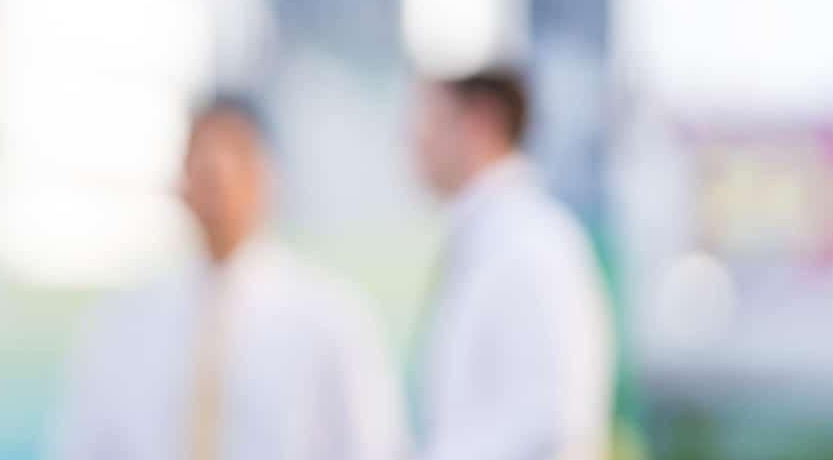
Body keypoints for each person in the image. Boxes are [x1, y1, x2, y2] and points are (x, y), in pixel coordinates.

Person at [49, 97, 404, 460]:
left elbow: (372, 448)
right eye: (201, 161)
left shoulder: (331, 321)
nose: (217, 177)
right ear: (181, 178)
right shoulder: (120, 326)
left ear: (267, 176)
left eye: (235, 158)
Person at [410, 68, 613, 460]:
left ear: (481, 121)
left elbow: (552, 421)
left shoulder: (533, 244)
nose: (416, 140)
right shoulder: (486, 240)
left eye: (431, 119)